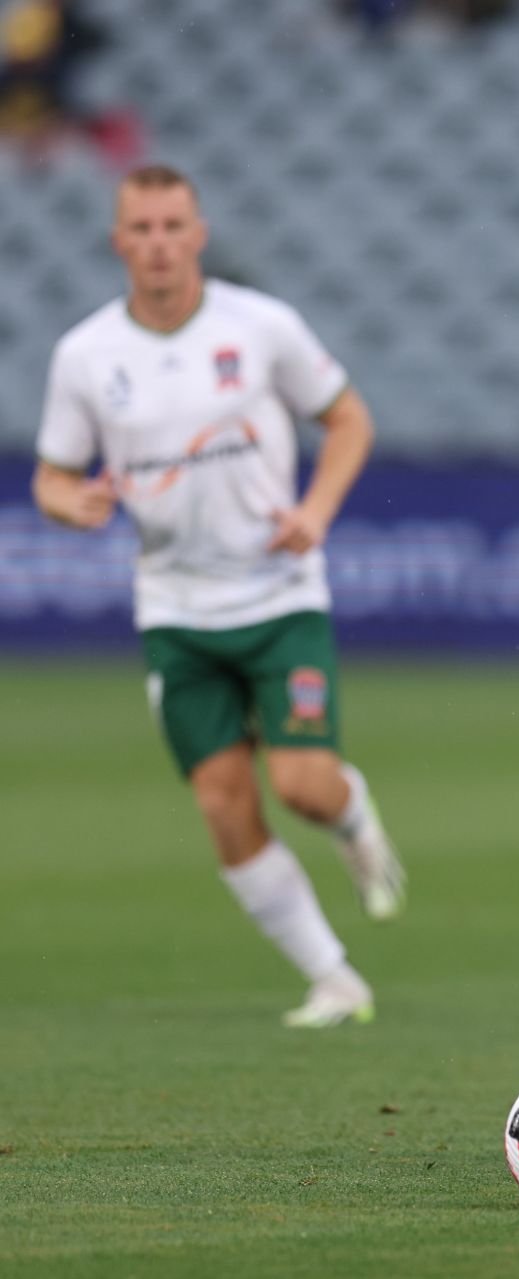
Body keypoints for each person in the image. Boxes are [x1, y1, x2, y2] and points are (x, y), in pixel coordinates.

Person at [32, 165, 406, 1029]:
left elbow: (348, 417)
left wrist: (315, 511)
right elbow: (53, 474)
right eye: (142, 229)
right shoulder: (87, 355)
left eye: (173, 226)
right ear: (118, 241)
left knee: (305, 786)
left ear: (197, 233)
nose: (159, 243)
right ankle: (334, 978)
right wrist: (70, 501)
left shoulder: (261, 326)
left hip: (278, 598)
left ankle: (353, 821)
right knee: (222, 801)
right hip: (175, 609)